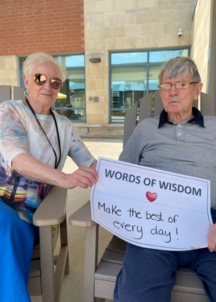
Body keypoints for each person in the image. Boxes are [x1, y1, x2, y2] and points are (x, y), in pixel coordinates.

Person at [113, 56, 216, 302]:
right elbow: (121, 177)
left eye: (181, 84)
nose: (172, 92)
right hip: (154, 223)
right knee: (136, 294)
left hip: (214, 226)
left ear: (197, 89)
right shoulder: (144, 129)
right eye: (166, 85)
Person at [0, 52, 98, 302]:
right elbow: (17, 159)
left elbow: (88, 163)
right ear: (26, 80)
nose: (48, 86)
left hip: (30, 215)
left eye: (55, 82)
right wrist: (64, 178)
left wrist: (126, 179)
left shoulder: (63, 126)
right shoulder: (10, 111)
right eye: (40, 78)